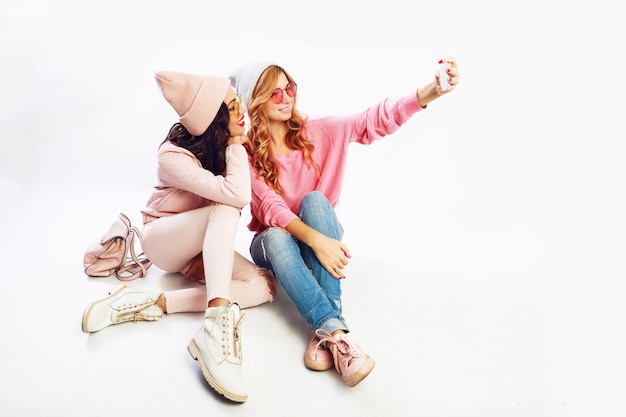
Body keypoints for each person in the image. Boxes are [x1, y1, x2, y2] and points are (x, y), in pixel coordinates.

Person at [229, 58, 460, 387]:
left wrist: (430, 92)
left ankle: (329, 334)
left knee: (315, 201)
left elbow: (374, 118)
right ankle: (336, 328)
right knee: (279, 236)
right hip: (273, 243)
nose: (286, 98)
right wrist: (318, 241)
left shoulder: (320, 130)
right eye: (275, 94)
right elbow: (270, 205)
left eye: (289, 89)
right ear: (257, 101)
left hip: (318, 230)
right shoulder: (246, 151)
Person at [81, 70, 277, 403]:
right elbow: (237, 195)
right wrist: (235, 143)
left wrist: (233, 142)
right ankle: (216, 327)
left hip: (201, 246)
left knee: (263, 284)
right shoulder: (171, 155)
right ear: (215, 119)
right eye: (233, 105)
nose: (241, 109)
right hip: (162, 241)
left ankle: (148, 303)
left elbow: (242, 193)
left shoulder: (222, 145)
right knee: (225, 208)